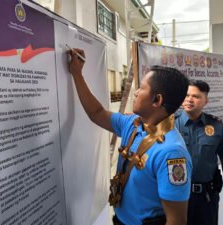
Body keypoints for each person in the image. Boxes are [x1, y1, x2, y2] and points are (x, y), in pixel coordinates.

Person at [67, 48, 192, 225]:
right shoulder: (133, 124)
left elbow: (176, 220)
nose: (135, 92)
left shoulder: (172, 153)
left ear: (157, 100)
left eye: (141, 88)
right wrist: (77, 73)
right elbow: (97, 113)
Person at [175, 79, 223, 225]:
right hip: (176, 196)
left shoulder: (216, 126)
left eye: (196, 96)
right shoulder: (171, 125)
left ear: (206, 101)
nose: (189, 99)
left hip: (206, 197)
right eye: (186, 95)